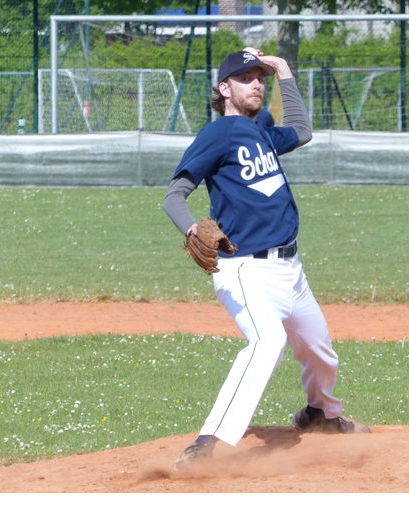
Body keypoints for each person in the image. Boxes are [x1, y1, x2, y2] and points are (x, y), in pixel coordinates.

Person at [163, 48, 369, 470]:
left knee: (319, 351)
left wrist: (285, 72)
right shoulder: (217, 135)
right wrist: (189, 229)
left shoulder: (261, 132)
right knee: (268, 342)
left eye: (260, 76)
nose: (257, 83)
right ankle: (206, 443)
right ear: (224, 89)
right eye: (245, 77)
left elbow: (303, 131)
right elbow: (174, 194)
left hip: (290, 270)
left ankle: (322, 415)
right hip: (246, 270)